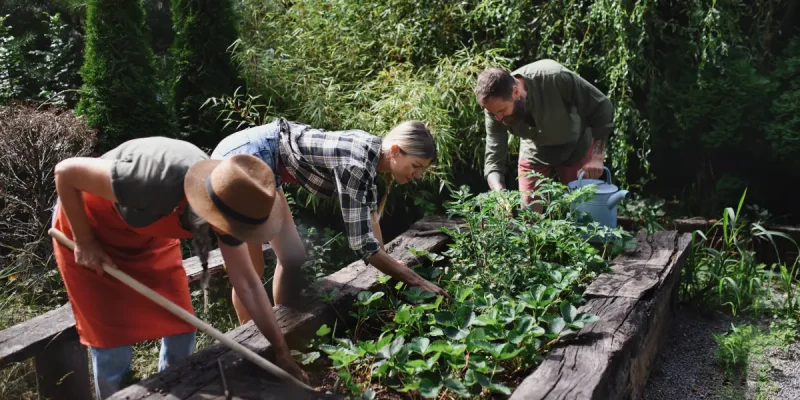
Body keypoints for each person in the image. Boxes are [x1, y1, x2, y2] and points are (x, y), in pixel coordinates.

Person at [51, 136, 308, 399]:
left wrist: (281, 350)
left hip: (147, 237)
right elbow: (65, 172)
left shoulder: (233, 201)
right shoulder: (151, 182)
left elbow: (249, 284)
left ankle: (171, 393)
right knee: (112, 345)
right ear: (210, 207)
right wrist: (84, 241)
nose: (235, 235)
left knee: (181, 326)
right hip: (89, 227)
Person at [211, 117, 449, 323]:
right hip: (246, 158)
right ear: (396, 150)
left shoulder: (372, 154)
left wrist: (391, 263)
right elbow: (362, 245)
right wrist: (416, 281)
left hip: (265, 158)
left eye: (422, 170)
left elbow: (369, 215)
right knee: (252, 269)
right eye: (416, 166)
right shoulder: (356, 164)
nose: (417, 175)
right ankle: (253, 341)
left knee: (292, 256)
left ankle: (284, 327)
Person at [475, 59, 614, 211]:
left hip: (576, 145)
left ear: (515, 92)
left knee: (583, 211)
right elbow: (493, 159)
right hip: (535, 151)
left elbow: (602, 107)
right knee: (529, 215)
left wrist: (597, 156)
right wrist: (498, 192)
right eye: (494, 113)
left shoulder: (555, 77)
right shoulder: (494, 108)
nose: (499, 118)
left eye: (502, 111)